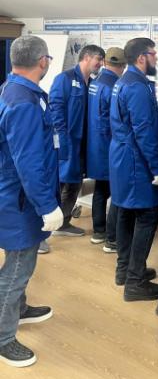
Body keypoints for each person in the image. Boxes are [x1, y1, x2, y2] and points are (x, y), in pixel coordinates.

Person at [0, 36, 63, 368]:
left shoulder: (15, 90)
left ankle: (20, 309)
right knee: (18, 267)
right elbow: (28, 162)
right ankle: (3, 337)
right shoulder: (23, 101)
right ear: (42, 61)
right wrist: (46, 205)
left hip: (18, 194)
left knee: (21, 260)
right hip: (20, 199)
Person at [109, 38, 158, 301]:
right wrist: (157, 168)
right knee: (147, 215)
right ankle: (135, 282)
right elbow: (144, 132)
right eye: (153, 54)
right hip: (135, 160)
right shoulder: (138, 87)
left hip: (122, 156)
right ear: (142, 57)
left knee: (125, 213)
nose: (156, 58)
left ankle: (125, 270)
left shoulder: (124, 81)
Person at [49, 44, 105, 239]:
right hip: (66, 142)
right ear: (87, 57)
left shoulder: (93, 83)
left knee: (75, 184)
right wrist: (62, 139)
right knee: (59, 185)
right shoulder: (64, 79)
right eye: (98, 59)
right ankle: (42, 231)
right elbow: (55, 109)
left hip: (84, 145)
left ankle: (63, 222)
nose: (100, 64)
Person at [86, 47, 126, 252]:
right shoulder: (114, 85)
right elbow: (117, 118)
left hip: (95, 143)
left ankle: (99, 231)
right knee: (114, 190)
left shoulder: (96, 81)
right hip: (108, 144)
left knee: (100, 189)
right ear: (122, 65)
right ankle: (112, 237)